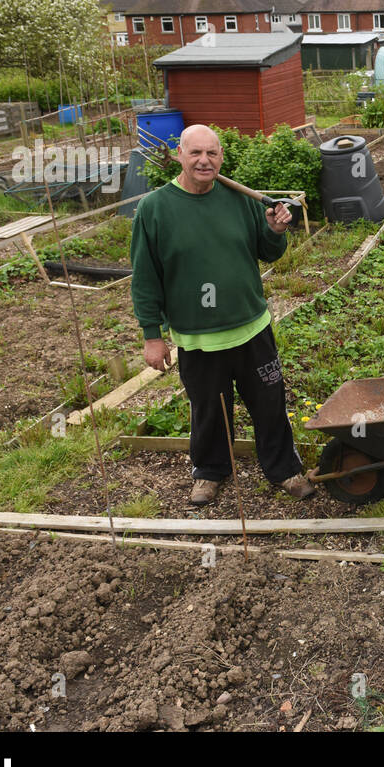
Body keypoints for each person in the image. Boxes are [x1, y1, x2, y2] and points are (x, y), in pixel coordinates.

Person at [130, 124, 315, 506]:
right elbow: (146, 277)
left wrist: (276, 230)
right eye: (195, 153)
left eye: (212, 153)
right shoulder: (155, 208)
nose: (204, 160)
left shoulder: (238, 198)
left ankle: (284, 470)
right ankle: (210, 472)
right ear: (180, 155)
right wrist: (152, 335)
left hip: (251, 328)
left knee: (270, 405)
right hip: (197, 337)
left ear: (221, 158)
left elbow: (268, 252)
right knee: (209, 411)